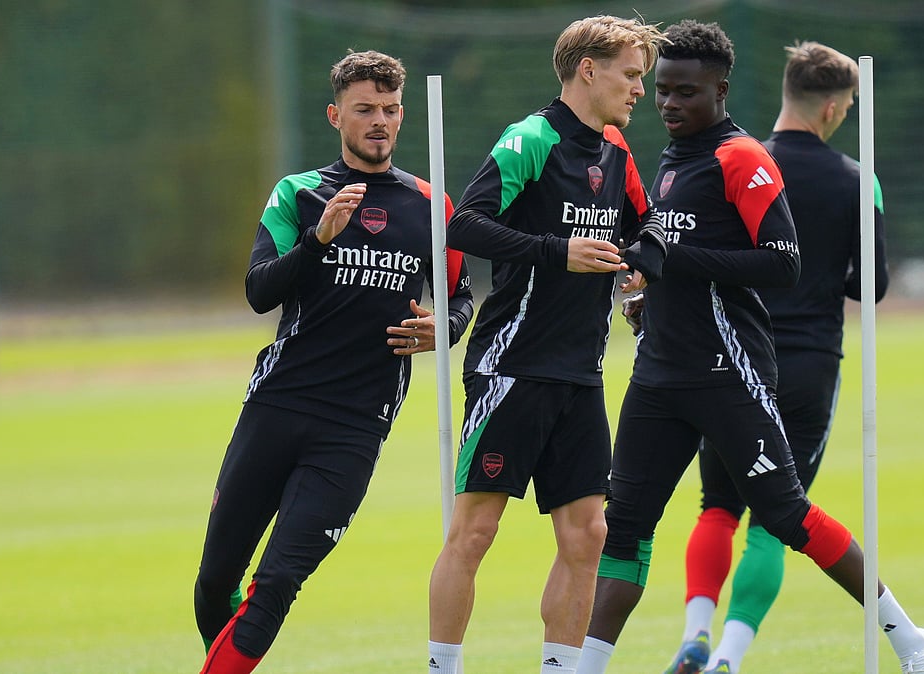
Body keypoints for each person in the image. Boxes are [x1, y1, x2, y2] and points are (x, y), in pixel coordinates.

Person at [577, 20, 924, 674]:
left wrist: (672, 257)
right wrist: (643, 289)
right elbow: (672, 259)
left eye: (684, 92)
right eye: (660, 90)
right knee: (626, 524)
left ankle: (909, 639)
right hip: (659, 374)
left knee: (784, 514)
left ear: (720, 90)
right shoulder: (669, 158)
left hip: (730, 373)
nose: (666, 103)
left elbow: (782, 264)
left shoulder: (743, 156)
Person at [192, 49, 475, 674]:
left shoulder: (431, 203)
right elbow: (260, 290)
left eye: (391, 110)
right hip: (276, 406)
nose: (381, 120)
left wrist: (444, 331)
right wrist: (320, 239)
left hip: (354, 426)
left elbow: (458, 299)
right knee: (215, 584)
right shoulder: (299, 193)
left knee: (276, 586)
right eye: (365, 109)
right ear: (335, 115)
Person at [425, 15, 669, 674]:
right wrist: (556, 252)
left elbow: (644, 228)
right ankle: (442, 667)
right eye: (630, 75)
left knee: (588, 535)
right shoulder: (529, 138)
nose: (640, 90)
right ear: (588, 70)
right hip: (512, 365)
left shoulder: (618, 151)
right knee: (475, 531)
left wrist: (643, 264)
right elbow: (463, 225)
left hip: (581, 373)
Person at [658, 40, 893, 674]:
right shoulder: (855, 176)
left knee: (717, 506)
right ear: (836, 108)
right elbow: (871, 284)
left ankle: (694, 633)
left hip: (730, 356)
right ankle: (730, 658)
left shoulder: (734, 160)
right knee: (776, 519)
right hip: (810, 362)